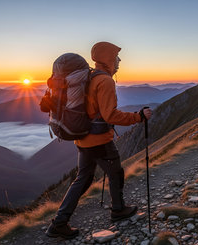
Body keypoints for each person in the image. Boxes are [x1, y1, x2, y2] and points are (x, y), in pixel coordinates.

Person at [46, 41, 152, 239]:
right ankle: (118, 209)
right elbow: (110, 115)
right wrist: (138, 116)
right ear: (109, 59)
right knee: (115, 172)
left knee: (82, 179)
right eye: (116, 57)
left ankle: (59, 223)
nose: (119, 61)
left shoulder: (90, 77)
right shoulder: (105, 81)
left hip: (82, 138)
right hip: (99, 140)